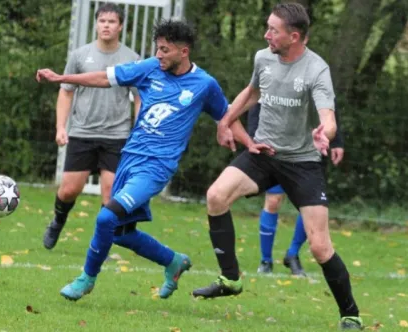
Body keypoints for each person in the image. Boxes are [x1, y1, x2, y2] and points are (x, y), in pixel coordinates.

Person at [36, 19, 253, 301]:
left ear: (183, 51)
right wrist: (61, 79)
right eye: (157, 48)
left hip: (155, 167)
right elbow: (104, 77)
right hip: (129, 159)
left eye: (164, 49)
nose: (159, 54)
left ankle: (86, 279)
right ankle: (174, 261)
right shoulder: (150, 68)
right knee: (121, 233)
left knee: (106, 218)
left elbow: (227, 115)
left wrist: (250, 146)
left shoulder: (204, 85)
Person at [192, 3, 363, 329]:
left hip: (303, 163)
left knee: (319, 245)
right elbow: (252, 92)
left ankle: (350, 315)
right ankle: (230, 279)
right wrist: (226, 120)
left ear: (294, 36)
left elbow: (328, 118)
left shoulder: (316, 69)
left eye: (273, 30)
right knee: (216, 196)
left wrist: (324, 134)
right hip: (264, 153)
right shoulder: (263, 58)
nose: (265, 34)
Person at [43, 3, 142, 250]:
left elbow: (139, 98)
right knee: (68, 191)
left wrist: (138, 130)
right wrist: (60, 127)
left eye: (111, 21)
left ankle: (101, 246)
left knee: (110, 196)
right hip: (82, 133)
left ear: (120, 26)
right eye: (102, 21)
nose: (106, 25)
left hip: (117, 136)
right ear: (96, 24)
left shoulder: (131, 59)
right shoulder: (79, 56)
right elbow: (66, 92)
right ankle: (57, 221)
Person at [248, 102, 345, 276]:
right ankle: (266, 261)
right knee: (273, 201)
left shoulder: (318, 77)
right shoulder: (273, 75)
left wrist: (336, 141)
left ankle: (292, 254)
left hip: (310, 151)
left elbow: (329, 106)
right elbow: (256, 99)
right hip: (277, 149)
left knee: (310, 205)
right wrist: (254, 137)